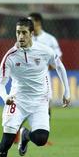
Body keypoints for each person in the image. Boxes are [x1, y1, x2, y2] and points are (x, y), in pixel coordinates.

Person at [0, 18, 70, 157]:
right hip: (18, 101)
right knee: (6, 142)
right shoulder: (10, 56)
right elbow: (0, 82)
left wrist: (67, 91)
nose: (20, 36)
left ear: (31, 33)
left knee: (41, 139)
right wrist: (6, 97)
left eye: (24, 32)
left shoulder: (44, 50)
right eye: (18, 32)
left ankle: (26, 135)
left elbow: (59, 66)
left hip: (39, 101)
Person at [13, 12, 63, 144]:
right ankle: (16, 131)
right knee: (22, 104)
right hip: (25, 78)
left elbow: (58, 60)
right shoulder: (25, 37)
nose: (27, 26)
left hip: (43, 78)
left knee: (45, 105)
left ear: (38, 23)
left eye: (31, 22)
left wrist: (42, 66)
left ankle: (40, 133)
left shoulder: (49, 40)